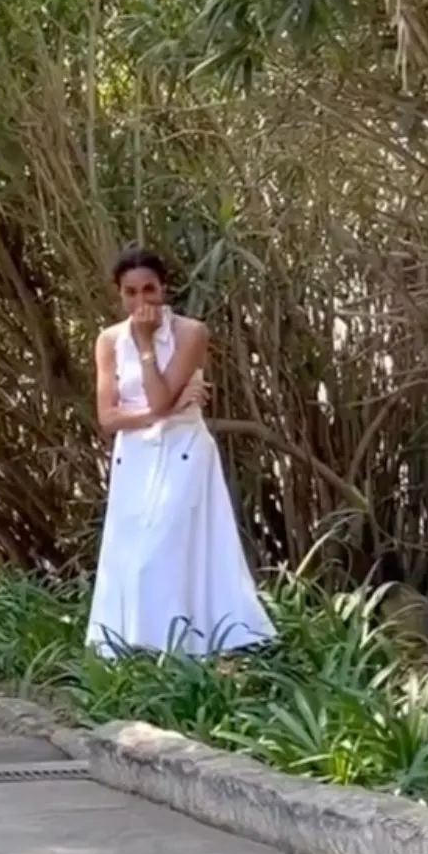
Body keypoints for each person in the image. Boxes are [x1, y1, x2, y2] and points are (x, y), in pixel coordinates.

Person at [86, 247, 276, 657]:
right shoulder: (108, 341)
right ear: (119, 295)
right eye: (130, 293)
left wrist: (146, 346)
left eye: (149, 290)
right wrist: (166, 407)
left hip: (184, 450)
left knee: (165, 548)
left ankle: (179, 648)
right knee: (132, 550)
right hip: (134, 457)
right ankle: (128, 646)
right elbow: (109, 417)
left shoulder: (191, 333)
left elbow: (152, 396)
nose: (141, 302)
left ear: (164, 288)